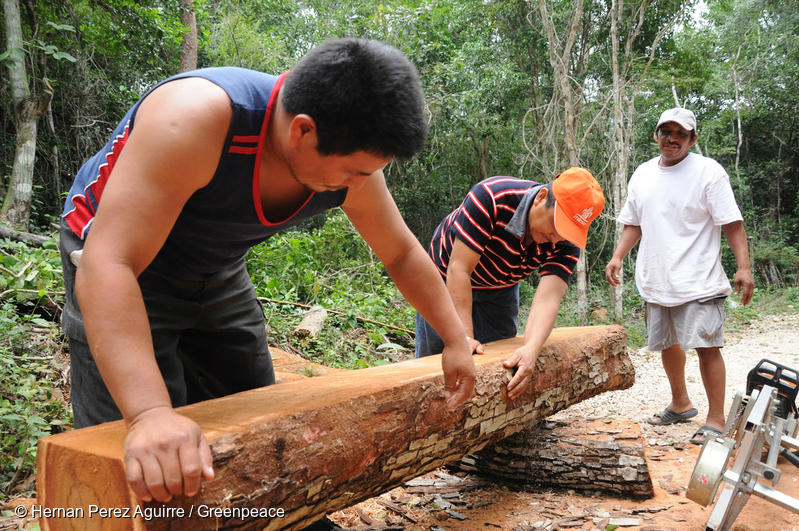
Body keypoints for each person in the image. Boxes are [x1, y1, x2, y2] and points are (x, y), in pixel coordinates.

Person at [59, 38, 476, 504]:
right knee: (135, 456)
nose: (359, 186)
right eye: (352, 173)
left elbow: (400, 253)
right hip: (116, 265)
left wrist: (456, 338)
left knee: (257, 427)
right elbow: (110, 261)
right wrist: (148, 414)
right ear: (302, 131)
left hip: (217, 268)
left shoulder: (347, 154)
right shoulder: (194, 118)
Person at [605, 107, 754, 445]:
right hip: (657, 278)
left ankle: (715, 419)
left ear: (692, 138)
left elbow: (731, 222)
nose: (671, 139)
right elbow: (635, 222)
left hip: (698, 278)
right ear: (656, 135)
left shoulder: (708, 173)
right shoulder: (643, 174)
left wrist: (743, 267)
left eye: (680, 134)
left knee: (706, 345)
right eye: (665, 132)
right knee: (668, 344)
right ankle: (681, 403)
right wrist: (617, 256)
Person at [415, 168, 605, 400]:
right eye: (557, 226)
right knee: (436, 366)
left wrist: (531, 350)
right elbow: (459, 270)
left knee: (500, 364)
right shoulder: (492, 197)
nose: (558, 238)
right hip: (446, 279)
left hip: (500, 287)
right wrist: (463, 338)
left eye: (567, 233)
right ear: (541, 198)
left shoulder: (566, 241)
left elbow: (548, 297)